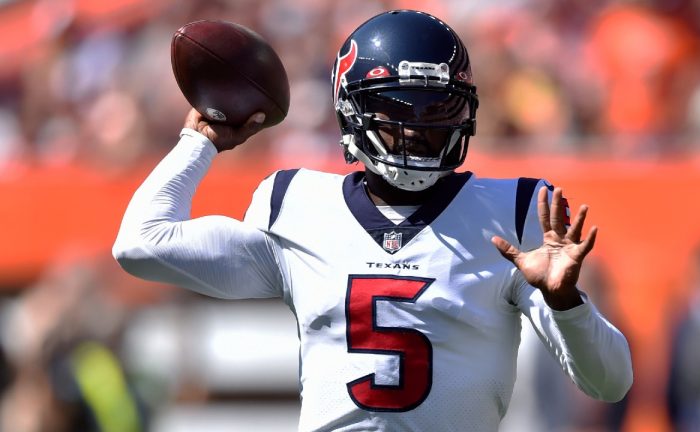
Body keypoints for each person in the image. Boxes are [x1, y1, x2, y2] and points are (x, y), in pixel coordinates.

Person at [113, 9, 632, 432]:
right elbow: (140, 244)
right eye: (397, 110)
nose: (416, 130)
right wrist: (199, 141)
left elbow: (610, 383)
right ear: (351, 114)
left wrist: (567, 304)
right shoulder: (295, 204)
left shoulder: (515, 212)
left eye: (436, 110)